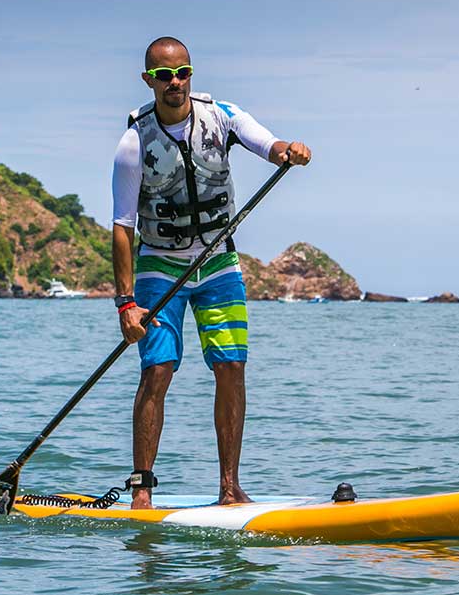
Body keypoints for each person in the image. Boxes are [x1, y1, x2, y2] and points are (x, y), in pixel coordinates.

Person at [111, 36, 311, 509]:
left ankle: (229, 487)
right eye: (164, 76)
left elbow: (268, 143)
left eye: (182, 72)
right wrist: (126, 303)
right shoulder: (133, 141)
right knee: (157, 371)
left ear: (190, 75)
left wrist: (288, 150)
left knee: (231, 367)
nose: (175, 82)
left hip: (218, 262)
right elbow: (122, 227)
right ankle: (142, 490)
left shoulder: (221, 116)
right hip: (159, 267)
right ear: (149, 81)